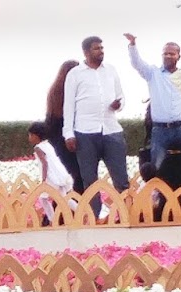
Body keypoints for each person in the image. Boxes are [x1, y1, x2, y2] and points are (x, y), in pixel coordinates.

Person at [62, 36, 129, 218]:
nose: (101, 51)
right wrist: (68, 133)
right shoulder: (75, 74)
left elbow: (121, 97)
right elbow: (68, 106)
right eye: (96, 48)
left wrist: (119, 104)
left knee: (121, 178)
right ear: (85, 52)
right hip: (85, 133)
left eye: (102, 47)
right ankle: (95, 217)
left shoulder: (111, 70)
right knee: (90, 180)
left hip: (111, 130)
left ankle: (125, 215)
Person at [124, 34, 181, 170]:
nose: (168, 56)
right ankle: (157, 191)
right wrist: (132, 44)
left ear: (179, 56)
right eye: (165, 53)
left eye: (172, 53)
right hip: (160, 129)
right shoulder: (153, 73)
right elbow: (137, 63)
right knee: (157, 165)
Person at [44, 60, 85, 193]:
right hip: (71, 142)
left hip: (58, 143)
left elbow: (49, 124)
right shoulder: (72, 93)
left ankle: (62, 209)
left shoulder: (54, 93)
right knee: (78, 176)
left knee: (65, 178)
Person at [28, 120, 74, 224]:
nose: (29, 138)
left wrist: (44, 180)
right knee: (63, 198)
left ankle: (52, 219)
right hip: (60, 175)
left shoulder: (38, 148)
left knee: (43, 198)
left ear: (37, 136)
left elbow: (44, 163)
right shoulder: (47, 144)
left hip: (51, 178)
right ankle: (81, 210)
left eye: (31, 135)